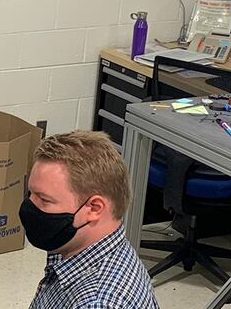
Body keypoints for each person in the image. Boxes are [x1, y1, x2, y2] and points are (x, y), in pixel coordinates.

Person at [21, 130, 159, 309]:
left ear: (94, 208)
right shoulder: (73, 251)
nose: (29, 206)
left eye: (44, 199)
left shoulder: (99, 303)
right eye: (31, 193)